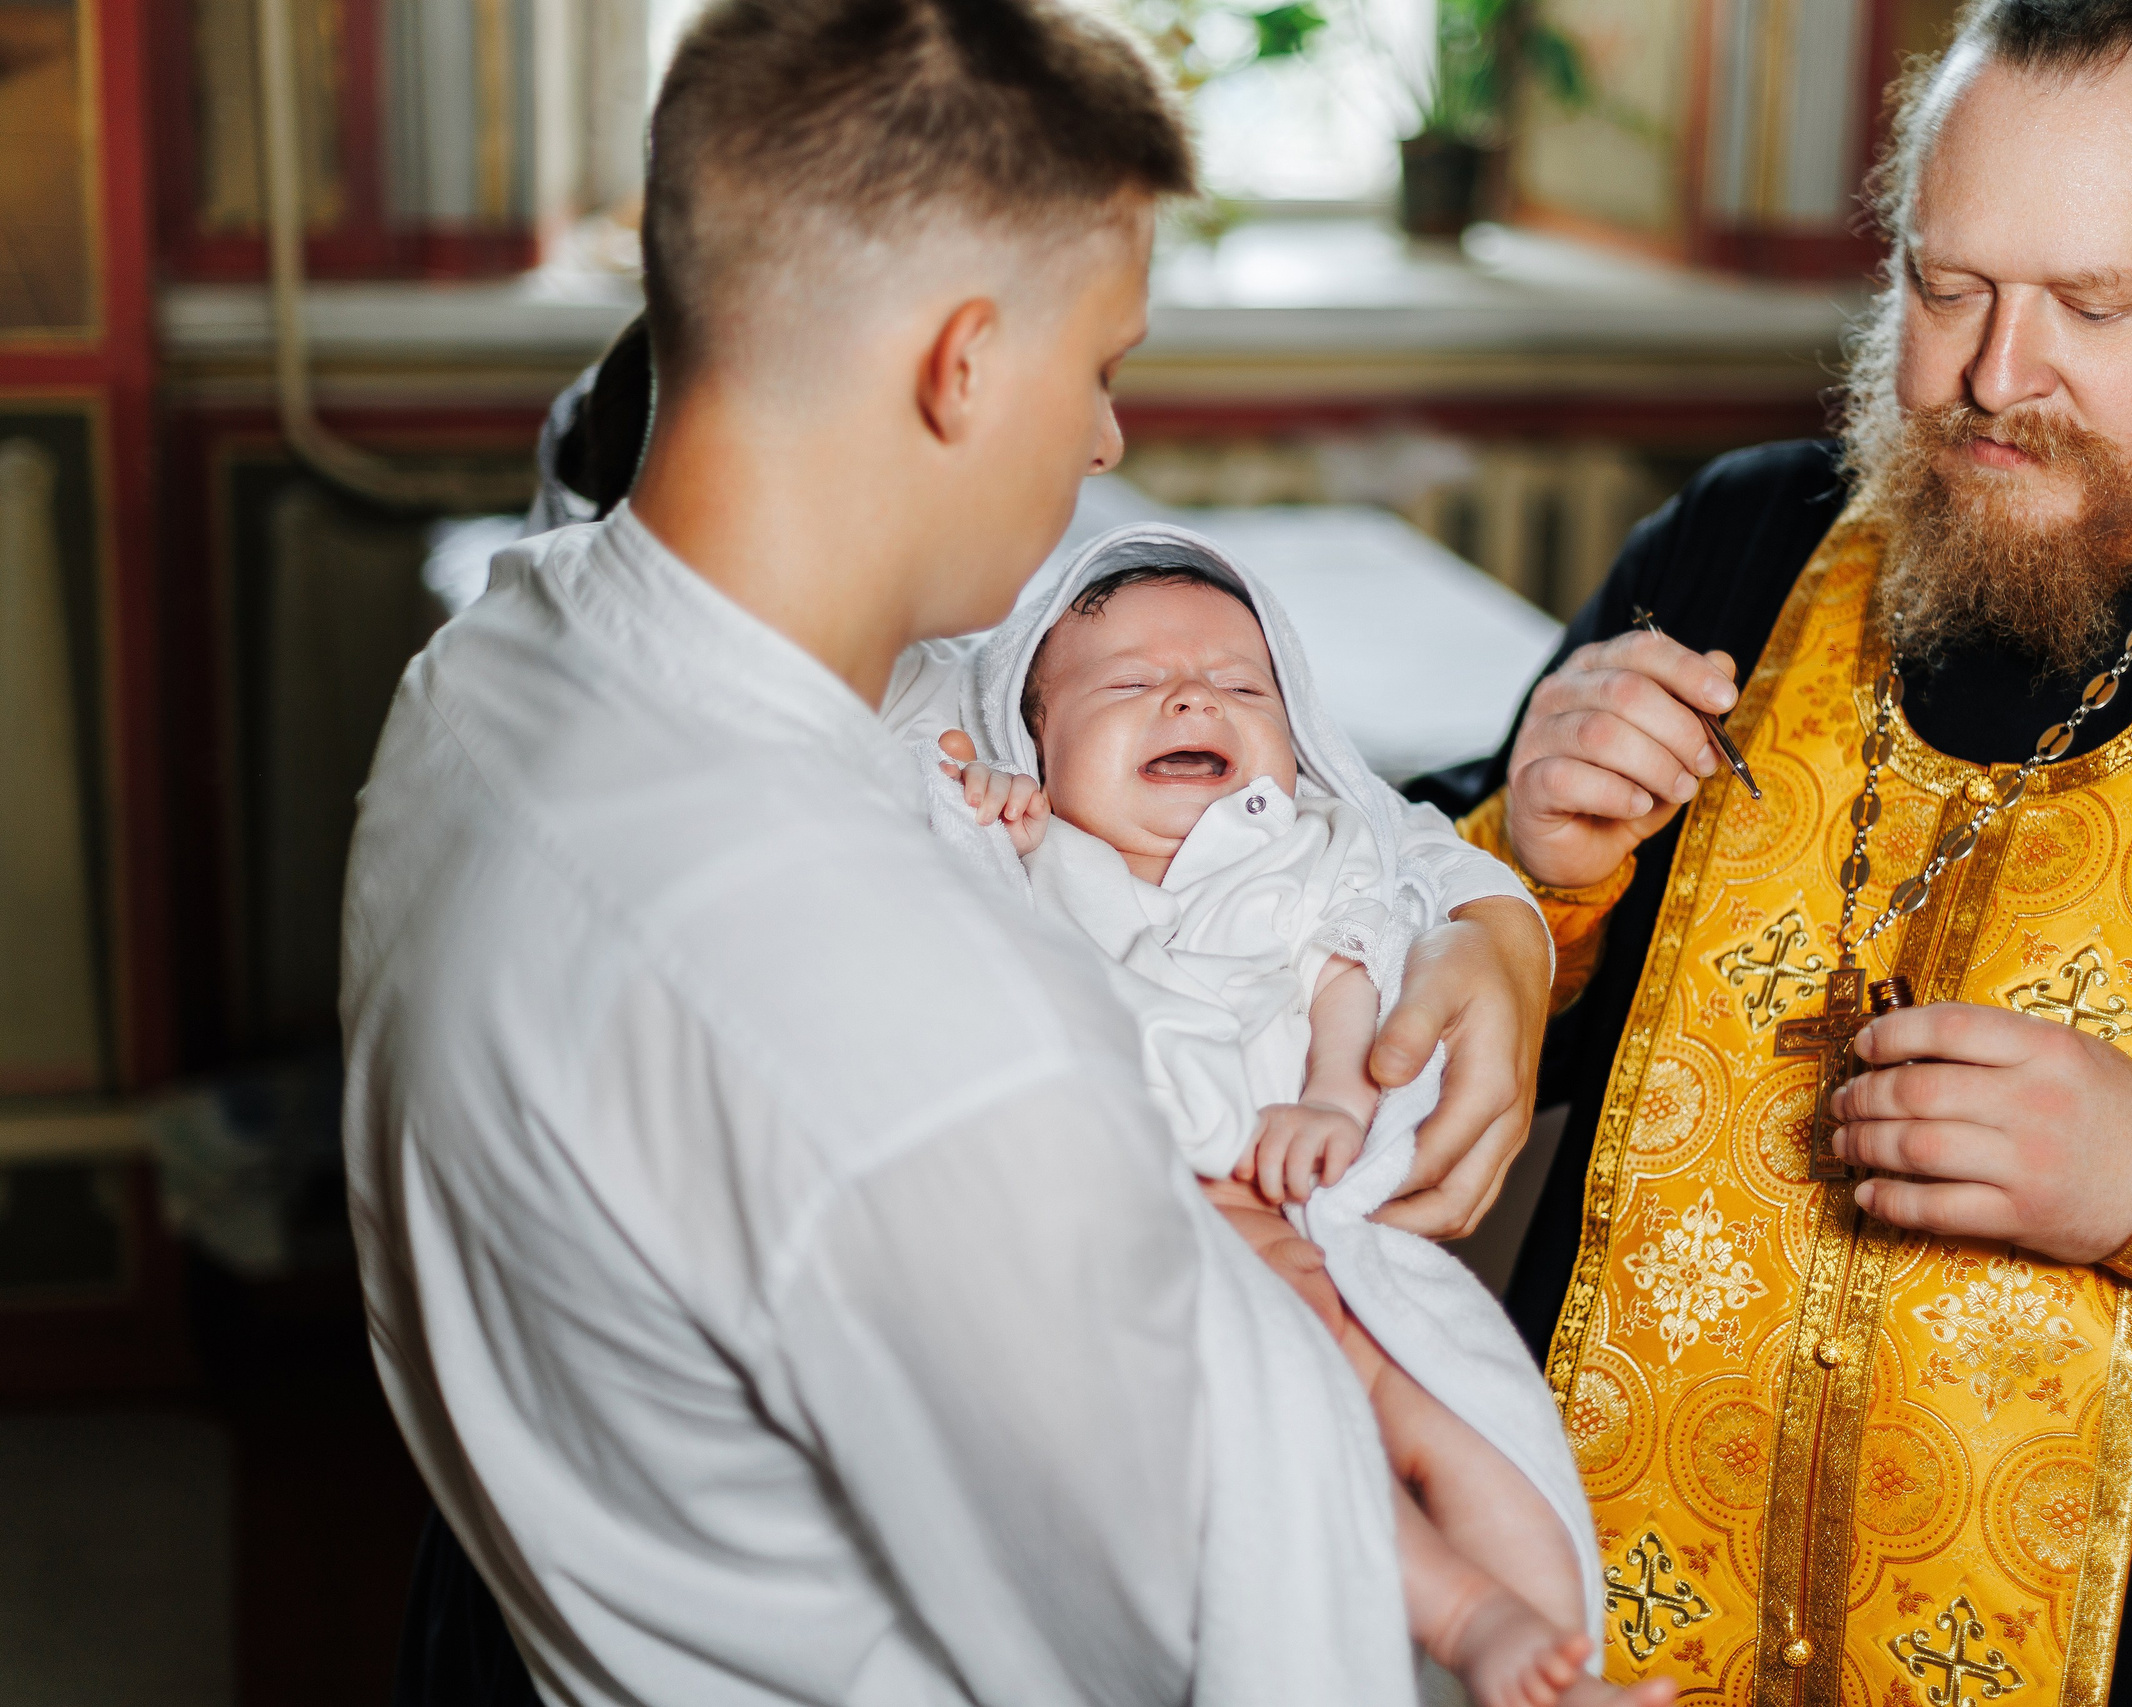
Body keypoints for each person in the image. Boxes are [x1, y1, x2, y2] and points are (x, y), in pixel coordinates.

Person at [343, 1, 1555, 1702]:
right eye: (1104, 365)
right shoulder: (914, 1011)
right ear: (964, 362)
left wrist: (1490, 914)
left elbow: (1338, 820)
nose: (1111, 443)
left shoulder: (492, 665)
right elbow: (1226, 1625)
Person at [1410, 0, 2132, 1700]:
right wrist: (1533, 864)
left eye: (2094, 303)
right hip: (1596, 1643)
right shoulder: (1739, 541)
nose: (1993, 379)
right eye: (1946, 285)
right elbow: (1443, 958)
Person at [921, 531, 1670, 1707]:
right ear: (1040, 742)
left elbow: (1352, 973)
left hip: (1322, 1226)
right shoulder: (1038, 855)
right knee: (1306, 1439)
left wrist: (1331, 1099)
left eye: (1238, 685)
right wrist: (989, 818)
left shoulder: (1311, 850)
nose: (1186, 694)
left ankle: (1561, 1650)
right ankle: (1474, 1623)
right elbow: (957, 938)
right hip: (1163, 1249)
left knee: (1470, 1422)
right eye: (1126, 686)